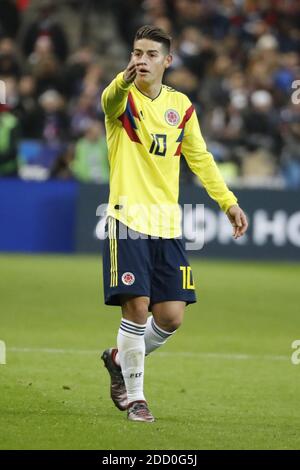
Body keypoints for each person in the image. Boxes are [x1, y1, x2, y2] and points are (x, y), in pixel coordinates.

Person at [100, 25, 248, 423]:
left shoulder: (180, 106)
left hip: (167, 224)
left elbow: (199, 157)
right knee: (137, 308)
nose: (140, 60)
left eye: (150, 54)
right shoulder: (122, 101)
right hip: (127, 220)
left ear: (167, 61)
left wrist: (228, 202)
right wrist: (121, 79)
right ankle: (136, 399)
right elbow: (109, 98)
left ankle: (119, 358)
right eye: (136, 52)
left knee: (170, 317)